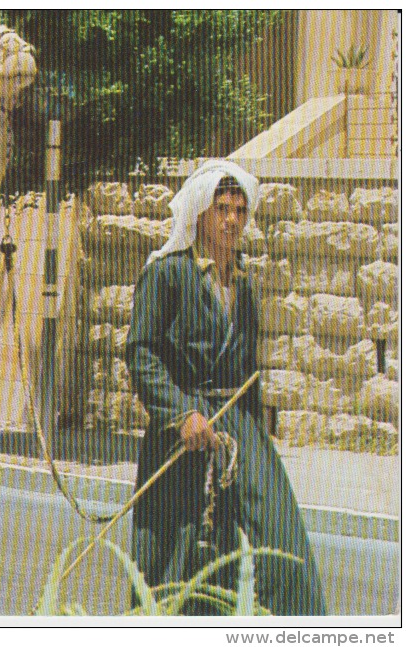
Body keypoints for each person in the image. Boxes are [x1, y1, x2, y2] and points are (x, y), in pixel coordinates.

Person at [126, 159, 327, 615]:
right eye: (223, 208)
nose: (233, 219)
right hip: (184, 428)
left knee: (282, 541)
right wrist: (181, 414)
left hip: (238, 429)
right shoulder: (167, 274)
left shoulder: (246, 286)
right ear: (201, 213)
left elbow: (248, 373)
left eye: (240, 209)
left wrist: (258, 442)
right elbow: (141, 353)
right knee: (182, 552)